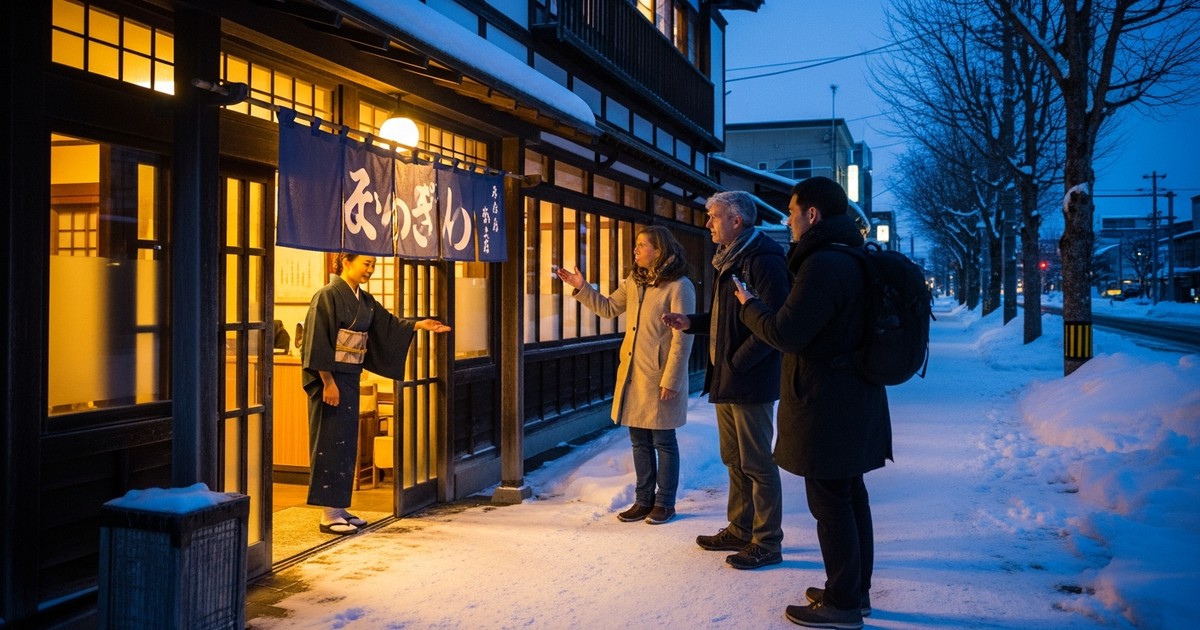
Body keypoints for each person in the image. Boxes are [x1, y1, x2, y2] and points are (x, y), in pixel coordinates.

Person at [734, 177, 892, 629]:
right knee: (849, 495)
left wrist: (749, 305)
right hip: (855, 396)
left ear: (813, 215)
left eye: (792, 211)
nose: (788, 220)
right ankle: (853, 591)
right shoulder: (854, 257)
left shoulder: (823, 265)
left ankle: (842, 604)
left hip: (827, 402)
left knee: (830, 502)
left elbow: (786, 332)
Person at [662, 191, 790, 570]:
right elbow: (729, 319)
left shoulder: (762, 259)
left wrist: (736, 362)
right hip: (730, 376)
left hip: (749, 378)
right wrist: (693, 324)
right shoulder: (731, 259)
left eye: (713, 217)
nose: (708, 223)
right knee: (734, 459)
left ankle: (767, 540)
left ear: (736, 220)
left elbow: (773, 323)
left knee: (757, 462)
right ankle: (740, 526)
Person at [302, 253, 451, 535]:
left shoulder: (365, 300)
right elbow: (317, 340)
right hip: (331, 380)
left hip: (349, 377)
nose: (370, 269)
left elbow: (387, 324)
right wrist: (327, 382)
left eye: (373, 265)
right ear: (345, 261)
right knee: (330, 440)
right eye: (365, 263)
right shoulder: (326, 296)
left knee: (346, 442)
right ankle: (328, 514)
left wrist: (419, 325)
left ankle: (339, 507)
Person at [556, 225, 695, 525]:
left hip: (659, 376)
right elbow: (608, 308)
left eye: (643, 245)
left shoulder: (679, 286)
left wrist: (672, 379)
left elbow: (684, 337)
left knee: (663, 440)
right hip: (634, 375)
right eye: (637, 244)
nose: (636, 250)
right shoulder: (635, 281)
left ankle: (665, 502)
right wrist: (582, 287)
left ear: (659, 250)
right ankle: (643, 500)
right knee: (638, 441)